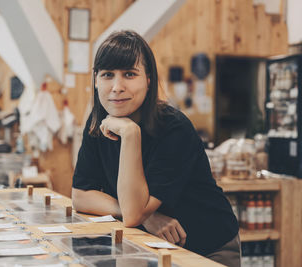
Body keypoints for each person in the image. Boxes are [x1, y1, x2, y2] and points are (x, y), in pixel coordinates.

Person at [72, 30, 240, 267]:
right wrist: (147, 216)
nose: (117, 86)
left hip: (207, 249)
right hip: (150, 245)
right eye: (108, 74)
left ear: (148, 80)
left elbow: (133, 214)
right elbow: (81, 196)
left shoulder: (174, 128)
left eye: (130, 74)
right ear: (96, 80)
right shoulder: (97, 122)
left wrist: (130, 133)